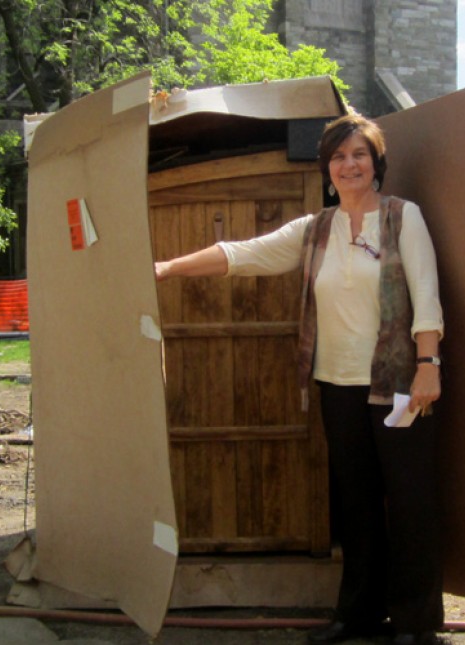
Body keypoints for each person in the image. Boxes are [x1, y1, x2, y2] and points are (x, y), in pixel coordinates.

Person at [155, 114, 445, 645]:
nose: (348, 164)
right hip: (338, 385)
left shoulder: (404, 219)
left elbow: (426, 294)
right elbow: (240, 255)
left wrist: (430, 366)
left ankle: (415, 623)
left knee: (409, 500)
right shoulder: (316, 229)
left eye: (359, 154)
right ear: (327, 168)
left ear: (376, 163)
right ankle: (358, 616)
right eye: (338, 156)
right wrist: (166, 268)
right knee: (355, 503)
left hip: (401, 385)